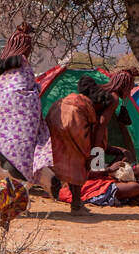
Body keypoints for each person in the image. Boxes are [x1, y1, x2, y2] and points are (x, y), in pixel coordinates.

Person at [0, 29, 55, 201]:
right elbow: (29, 90)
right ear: (25, 48)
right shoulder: (23, 65)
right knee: (23, 148)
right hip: (18, 114)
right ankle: (17, 186)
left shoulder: (3, 69)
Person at [47, 79, 117, 214]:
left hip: (56, 114)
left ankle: (76, 202)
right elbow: (97, 130)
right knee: (80, 161)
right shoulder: (101, 103)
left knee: (69, 159)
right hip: (73, 120)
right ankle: (76, 204)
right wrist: (91, 155)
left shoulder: (73, 98)